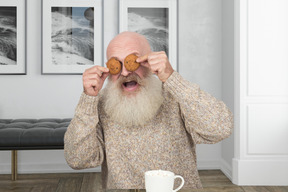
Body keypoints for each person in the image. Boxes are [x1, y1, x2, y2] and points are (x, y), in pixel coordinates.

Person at [64, 31, 233, 190]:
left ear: (149, 61)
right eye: (116, 64)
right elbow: (78, 159)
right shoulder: (100, 104)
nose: (124, 71)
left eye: (133, 61)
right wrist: (88, 98)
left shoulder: (176, 95)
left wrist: (172, 78)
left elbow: (220, 128)